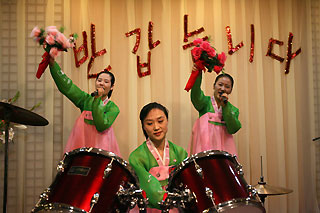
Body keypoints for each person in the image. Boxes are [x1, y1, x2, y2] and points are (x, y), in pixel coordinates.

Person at [48, 58, 121, 156]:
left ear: (112, 86)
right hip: (81, 146)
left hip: (102, 150)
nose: (101, 83)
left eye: (106, 82)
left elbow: (101, 125)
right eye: (99, 80)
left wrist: (97, 100)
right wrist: (53, 65)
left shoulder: (113, 108)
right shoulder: (85, 100)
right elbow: (68, 88)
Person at [129, 102, 188, 212]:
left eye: (160, 121)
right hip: (149, 209)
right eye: (150, 123)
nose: (156, 127)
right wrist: (165, 199)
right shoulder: (137, 157)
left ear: (167, 121)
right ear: (143, 126)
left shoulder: (180, 153)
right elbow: (148, 186)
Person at [188, 69, 241, 156]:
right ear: (214, 86)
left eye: (227, 86)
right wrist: (197, 72)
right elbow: (195, 94)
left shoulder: (233, 110)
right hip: (205, 148)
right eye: (220, 85)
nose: (223, 89)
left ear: (231, 90)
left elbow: (233, 128)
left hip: (225, 152)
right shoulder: (205, 103)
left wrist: (225, 107)